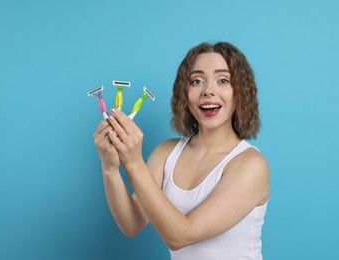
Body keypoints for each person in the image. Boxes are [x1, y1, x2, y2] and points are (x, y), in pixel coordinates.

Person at [93, 42, 270, 260]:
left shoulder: (251, 164)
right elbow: (132, 224)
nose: (208, 91)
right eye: (197, 81)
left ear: (240, 92)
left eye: (223, 80)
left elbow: (181, 236)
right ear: (184, 93)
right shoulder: (166, 153)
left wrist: (134, 162)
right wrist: (110, 168)